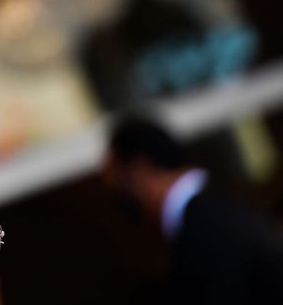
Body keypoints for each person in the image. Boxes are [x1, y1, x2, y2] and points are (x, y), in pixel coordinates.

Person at [102, 115, 283, 305]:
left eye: (116, 181)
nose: (113, 193)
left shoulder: (207, 230)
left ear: (139, 170)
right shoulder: (218, 210)